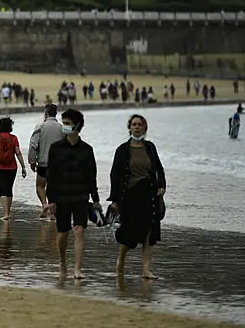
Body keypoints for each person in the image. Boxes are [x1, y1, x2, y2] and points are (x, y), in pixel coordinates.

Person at [44, 108, 100, 279]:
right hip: (61, 196)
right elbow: (51, 175)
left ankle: (77, 268)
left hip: (81, 196)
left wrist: (96, 200)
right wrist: (50, 200)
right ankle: (62, 263)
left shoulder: (87, 150)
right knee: (63, 232)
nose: (64, 126)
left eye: (67, 123)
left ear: (77, 125)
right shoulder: (55, 148)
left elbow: (92, 176)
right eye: (64, 123)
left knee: (79, 230)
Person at [109, 114, 166, 280]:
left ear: (144, 127)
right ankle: (121, 260)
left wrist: (162, 186)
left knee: (150, 233)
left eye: (139, 125)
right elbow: (115, 175)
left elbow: (159, 170)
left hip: (149, 195)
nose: (136, 127)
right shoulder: (122, 150)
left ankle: (146, 270)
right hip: (130, 196)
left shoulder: (150, 148)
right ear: (129, 128)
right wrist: (115, 200)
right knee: (130, 234)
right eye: (134, 125)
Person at [28, 103, 64, 219]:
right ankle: (53, 213)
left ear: (46, 113)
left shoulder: (40, 127)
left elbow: (33, 145)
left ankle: (44, 204)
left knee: (40, 186)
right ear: (56, 113)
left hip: (43, 163)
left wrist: (32, 161)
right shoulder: (63, 128)